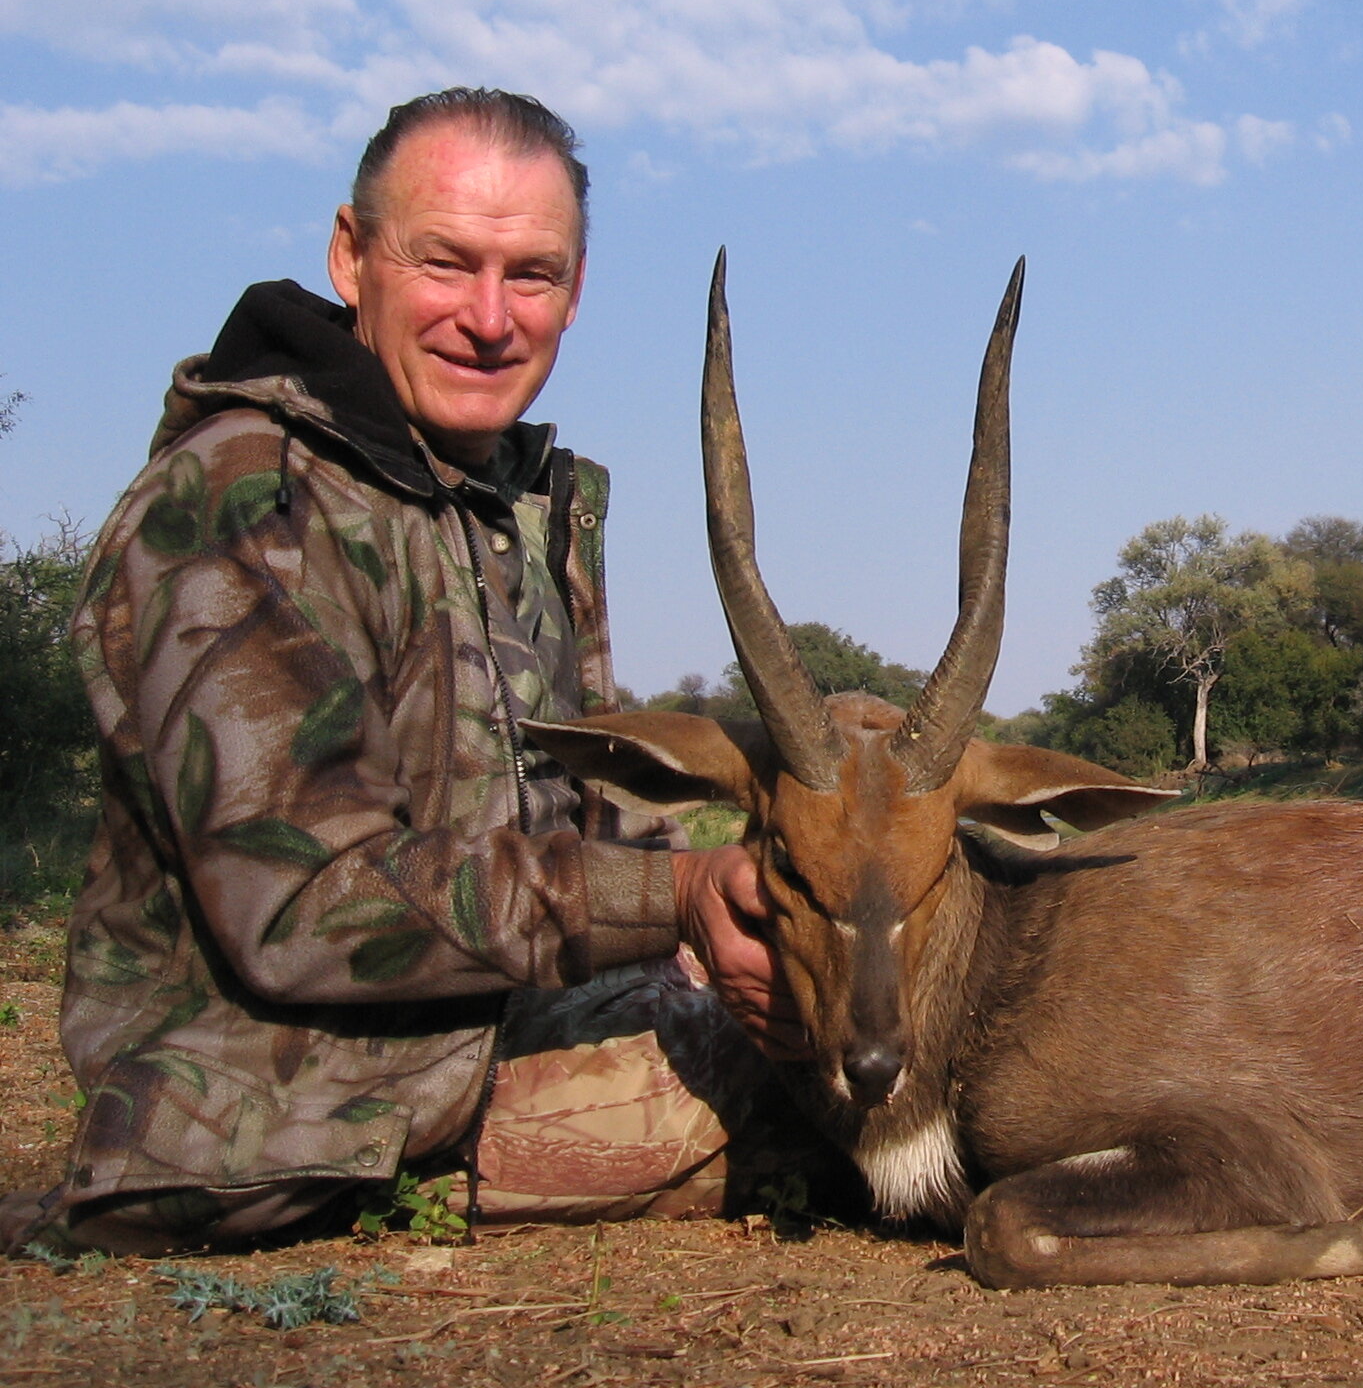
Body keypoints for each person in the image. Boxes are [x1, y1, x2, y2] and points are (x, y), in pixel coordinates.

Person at [0, 88, 826, 1256]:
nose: (489, 318)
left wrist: (734, 921)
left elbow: (575, 825)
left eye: (530, 275)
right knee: (847, 1101)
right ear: (352, 256)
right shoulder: (243, 498)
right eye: (445, 263)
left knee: (840, 1022)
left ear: (575, 292)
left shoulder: (514, 510)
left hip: (481, 1040)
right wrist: (672, 899)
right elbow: (299, 903)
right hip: (278, 1117)